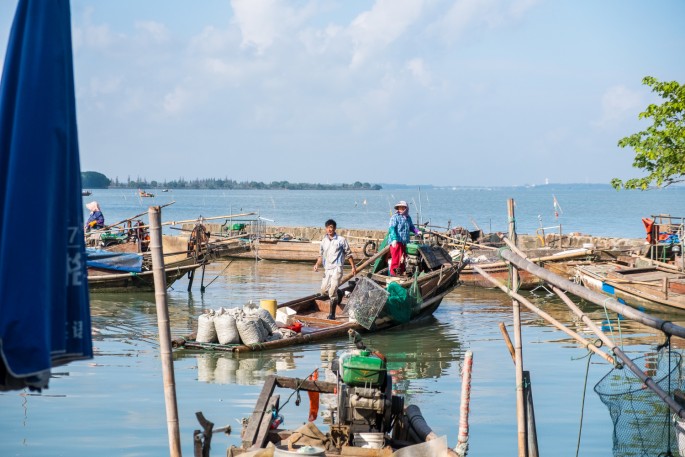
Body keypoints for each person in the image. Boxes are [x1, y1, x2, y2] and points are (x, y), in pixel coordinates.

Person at [313, 219, 357, 320]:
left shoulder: (341, 240)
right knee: (324, 291)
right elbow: (320, 255)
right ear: (326, 229)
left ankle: (332, 314)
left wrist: (353, 267)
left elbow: (348, 254)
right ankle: (340, 293)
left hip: (337, 268)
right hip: (327, 269)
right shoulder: (324, 241)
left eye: (331, 227)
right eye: (328, 227)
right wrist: (317, 264)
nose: (329, 229)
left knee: (332, 292)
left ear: (335, 228)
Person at [388, 200, 421, 276]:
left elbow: (411, 227)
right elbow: (392, 228)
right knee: (396, 259)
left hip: (404, 242)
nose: (401, 209)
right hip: (396, 242)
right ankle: (393, 275)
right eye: (400, 207)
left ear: (406, 208)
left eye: (403, 207)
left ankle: (401, 273)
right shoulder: (395, 217)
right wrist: (394, 239)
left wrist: (417, 231)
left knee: (403, 259)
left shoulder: (408, 218)